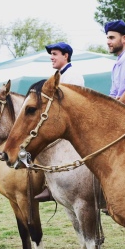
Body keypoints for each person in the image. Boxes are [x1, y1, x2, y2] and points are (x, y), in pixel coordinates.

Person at [34, 42, 85, 202]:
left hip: (71, 124)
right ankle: (49, 185)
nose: (51, 57)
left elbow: (70, 105)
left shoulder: (73, 75)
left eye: (55, 54)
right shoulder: (58, 76)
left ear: (66, 56)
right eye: (52, 54)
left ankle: (51, 186)